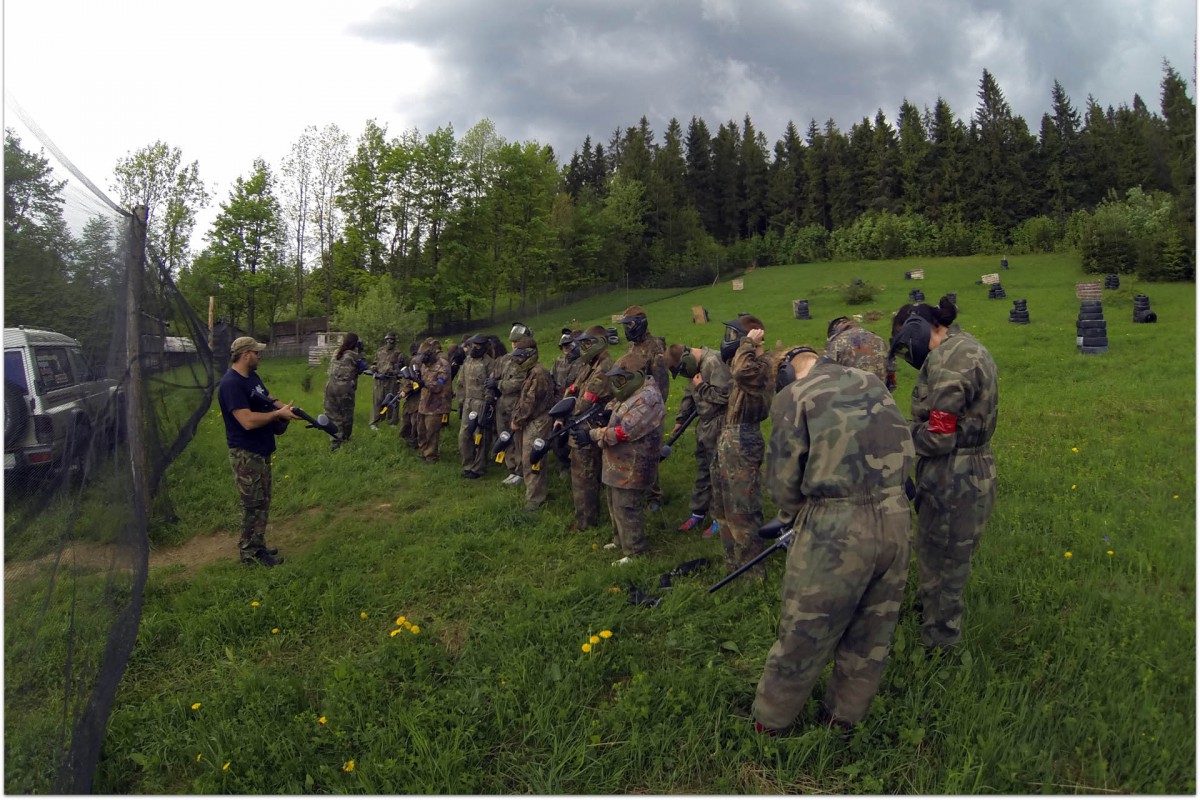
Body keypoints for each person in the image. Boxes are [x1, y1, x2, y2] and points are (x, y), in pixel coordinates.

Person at [751, 347, 914, 734]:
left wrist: (797, 517)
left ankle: (771, 723)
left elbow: (783, 480)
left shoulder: (794, 396)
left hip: (836, 525)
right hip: (896, 517)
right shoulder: (871, 380)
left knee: (803, 631)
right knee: (872, 633)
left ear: (785, 373)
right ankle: (843, 719)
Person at [890, 295, 998, 650]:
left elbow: (939, 437)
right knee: (936, 551)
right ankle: (929, 612)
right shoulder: (964, 347)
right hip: (963, 468)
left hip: (954, 473)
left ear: (921, 328)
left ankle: (940, 646)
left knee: (946, 561)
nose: (908, 354)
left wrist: (898, 433)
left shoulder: (950, 361)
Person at [217, 336, 299, 567]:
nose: (260, 356)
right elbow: (247, 421)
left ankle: (258, 544)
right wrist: (278, 414)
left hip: (261, 450)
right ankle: (250, 553)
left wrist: (286, 408)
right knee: (252, 504)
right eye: (257, 352)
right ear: (245, 355)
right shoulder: (231, 384)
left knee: (263, 501)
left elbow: (267, 398)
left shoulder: (251, 377)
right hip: (246, 454)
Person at [579, 357, 664, 565]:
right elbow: (617, 405)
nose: (617, 384)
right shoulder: (632, 392)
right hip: (618, 462)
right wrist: (606, 413)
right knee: (614, 502)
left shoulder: (648, 398)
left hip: (634, 462)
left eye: (620, 379)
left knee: (627, 506)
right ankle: (620, 540)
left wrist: (592, 435)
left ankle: (635, 552)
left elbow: (624, 431)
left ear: (636, 376)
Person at [709, 315, 774, 574]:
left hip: (743, 438)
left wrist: (748, 343)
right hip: (729, 436)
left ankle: (752, 572)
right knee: (723, 507)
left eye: (734, 335)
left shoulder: (762, 365)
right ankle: (732, 563)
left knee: (743, 510)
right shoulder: (745, 360)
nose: (731, 341)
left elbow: (741, 372)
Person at [665, 343, 731, 538]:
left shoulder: (714, 362)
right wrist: (681, 419)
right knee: (703, 469)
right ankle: (698, 513)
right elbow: (689, 393)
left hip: (719, 423)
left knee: (718, 472)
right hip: (704, 425)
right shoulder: (695, 366)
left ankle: (720, 519)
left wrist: (701, 386)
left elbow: (725, 396)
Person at [563, 325, 615, 533]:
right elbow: (572, 389)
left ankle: (585, 522)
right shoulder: (591, 365)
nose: (582, 348)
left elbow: (582, 403)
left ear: (599, 344)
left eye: (586, 344)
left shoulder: (603, 369)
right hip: (583, 425)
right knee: (588, 475)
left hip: (589, 427)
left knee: (583, 477)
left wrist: (566, 409)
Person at [619, 305, 669, 512]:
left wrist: (652, 413)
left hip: (650, 409)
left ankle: (654, 495)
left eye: (630, 324)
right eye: (625, 325)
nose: (627, 329)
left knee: (650, 451)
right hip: (633, 404)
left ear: (640, 324)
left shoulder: (654, 348)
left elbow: (661, 384)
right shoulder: (632, 346)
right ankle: (639, 486)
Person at [509, 337, 556, 512]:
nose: (518, 360)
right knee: (528, 458)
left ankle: (535, 499)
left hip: (538, 421)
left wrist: (517, 420)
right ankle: (533, 493)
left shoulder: (538, 373)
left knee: (533, 459)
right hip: (532, 420)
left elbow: (530, 402)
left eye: (520, 356)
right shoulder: (532, 372)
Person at [494, 323, 532, 486]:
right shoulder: (505, 359)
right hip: (502, 403)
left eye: (517, 341)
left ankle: (520, 471)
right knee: (505, 436)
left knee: (518, 439)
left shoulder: (525, 359)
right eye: (513, 342)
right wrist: (493, 384)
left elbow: (518, 382)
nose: (514, 344)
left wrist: (499, 384)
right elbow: (495, 375)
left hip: (517, 403)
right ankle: (511, 467)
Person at [457, 334, 494, 479]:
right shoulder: (467, 360)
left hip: (481, 402)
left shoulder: (489, 363)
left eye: (478, 346)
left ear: (484, 347)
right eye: (473, 345)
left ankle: (478, 467)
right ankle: (468, 464)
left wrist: (488, 403)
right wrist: (461, 401)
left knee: (480, 435)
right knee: (464, 435)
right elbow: (461, 382)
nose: (474, 348)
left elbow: (491, 385)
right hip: (468, 401)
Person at [824, 316, 895, 391]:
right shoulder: (879, 339)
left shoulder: (836, 342)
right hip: (880, 392)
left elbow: (828, 373)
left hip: (850, 394)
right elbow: (891, 371)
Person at [324, 332, 366, 452]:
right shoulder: (354, 355)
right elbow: (363, 367)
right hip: (344, 388)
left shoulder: (336, 352)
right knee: (346, 415)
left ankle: (334, 439)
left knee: (333, 414)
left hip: (330, 386)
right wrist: (361, 352)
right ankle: (344, 438)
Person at [415, 338, 452, 463]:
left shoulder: (443, 365)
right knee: (421, 430)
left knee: (432, 432)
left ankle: (431, 456)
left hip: (437, 404)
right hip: (424, 402)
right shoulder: (424, 366)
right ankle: (423, 451)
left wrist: (423, 383)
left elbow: (438, 386)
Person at [369, 331, 405, 430]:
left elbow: (402, 368)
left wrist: (396, 372)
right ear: (385, 340)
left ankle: (392, 421)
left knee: (393, 400)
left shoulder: (398, 353)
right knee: (378, 400)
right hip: (379, 380)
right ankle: (375, 421)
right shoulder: (380, 351)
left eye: (392, 340)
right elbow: (374, 363)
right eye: (388, 339)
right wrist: (374, 371)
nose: (390, 342)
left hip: (392, 380)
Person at [399, 341, 422, 450]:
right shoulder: (414, 361)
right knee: (409, 415)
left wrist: (406, 390)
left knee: (414, 418)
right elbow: (408, 379)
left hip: (417, 395)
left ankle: (414, 440)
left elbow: (414, 380)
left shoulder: (416, 362)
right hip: (412, 394)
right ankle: (409, 438)